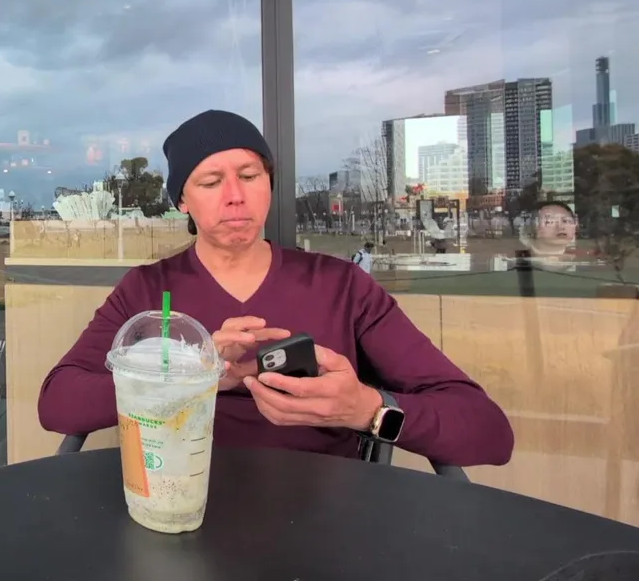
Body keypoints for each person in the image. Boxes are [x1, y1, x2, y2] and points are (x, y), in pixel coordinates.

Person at [38, 110, 513, 467]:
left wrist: (368, 410)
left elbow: (488, 432)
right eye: (211, 182)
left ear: (269, 183)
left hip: (321, 517)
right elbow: (58, 402)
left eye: (250, 176)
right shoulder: (148, 289)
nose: (235, 196)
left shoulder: (340, 286)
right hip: (178, 496)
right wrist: (190, 377)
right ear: (182, 199)